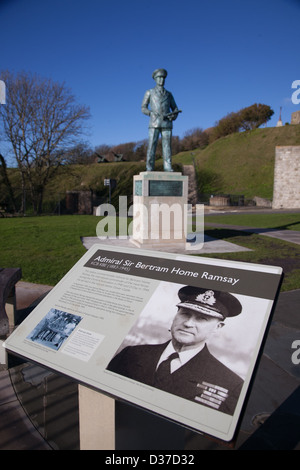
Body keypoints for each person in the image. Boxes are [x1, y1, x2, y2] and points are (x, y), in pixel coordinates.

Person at [107, 286, 244, 416]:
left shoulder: (231, 385)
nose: (188, 323)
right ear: (176, 315)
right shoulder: (132, 354)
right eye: (185, 314)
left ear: (217, 327)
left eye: (202, 318)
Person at [141, 68, 180, 172]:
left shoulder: (169, 94)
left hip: (167, 122)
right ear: (155, 79)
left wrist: (174, 116)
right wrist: (150, 113)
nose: (161, 80)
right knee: (151, 145)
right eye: (159, 78)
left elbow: (175, 108)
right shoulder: (149, 92)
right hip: (154, 122)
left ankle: (167, 166)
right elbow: (143, 108)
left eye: (163, 78)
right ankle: (149, 167)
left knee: (167, 146)